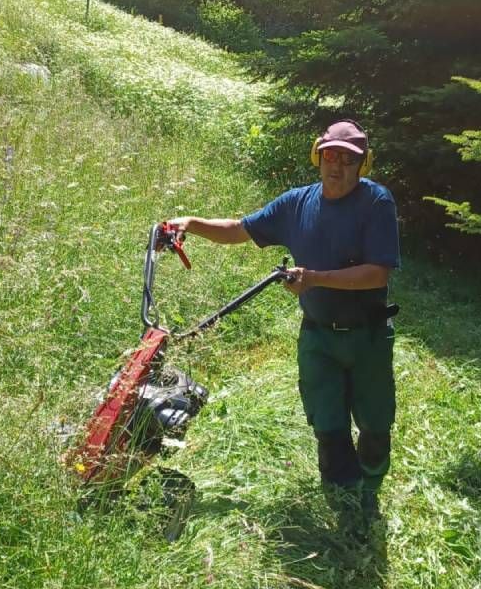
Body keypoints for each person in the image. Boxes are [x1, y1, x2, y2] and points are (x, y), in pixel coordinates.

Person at [167, 119, 400, 560]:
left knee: (374, 427)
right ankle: (345, 514)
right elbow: (240, 229)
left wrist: (315, 279)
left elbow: (377, 271)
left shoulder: (375, 202)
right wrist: (191, 223)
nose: (338, 165)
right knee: (328, 430)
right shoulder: (296, 204)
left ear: (362, 164)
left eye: (349, 158)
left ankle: (370, 497)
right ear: (318, 156)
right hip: (318, 339)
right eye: (331, 155)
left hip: (367, 337)